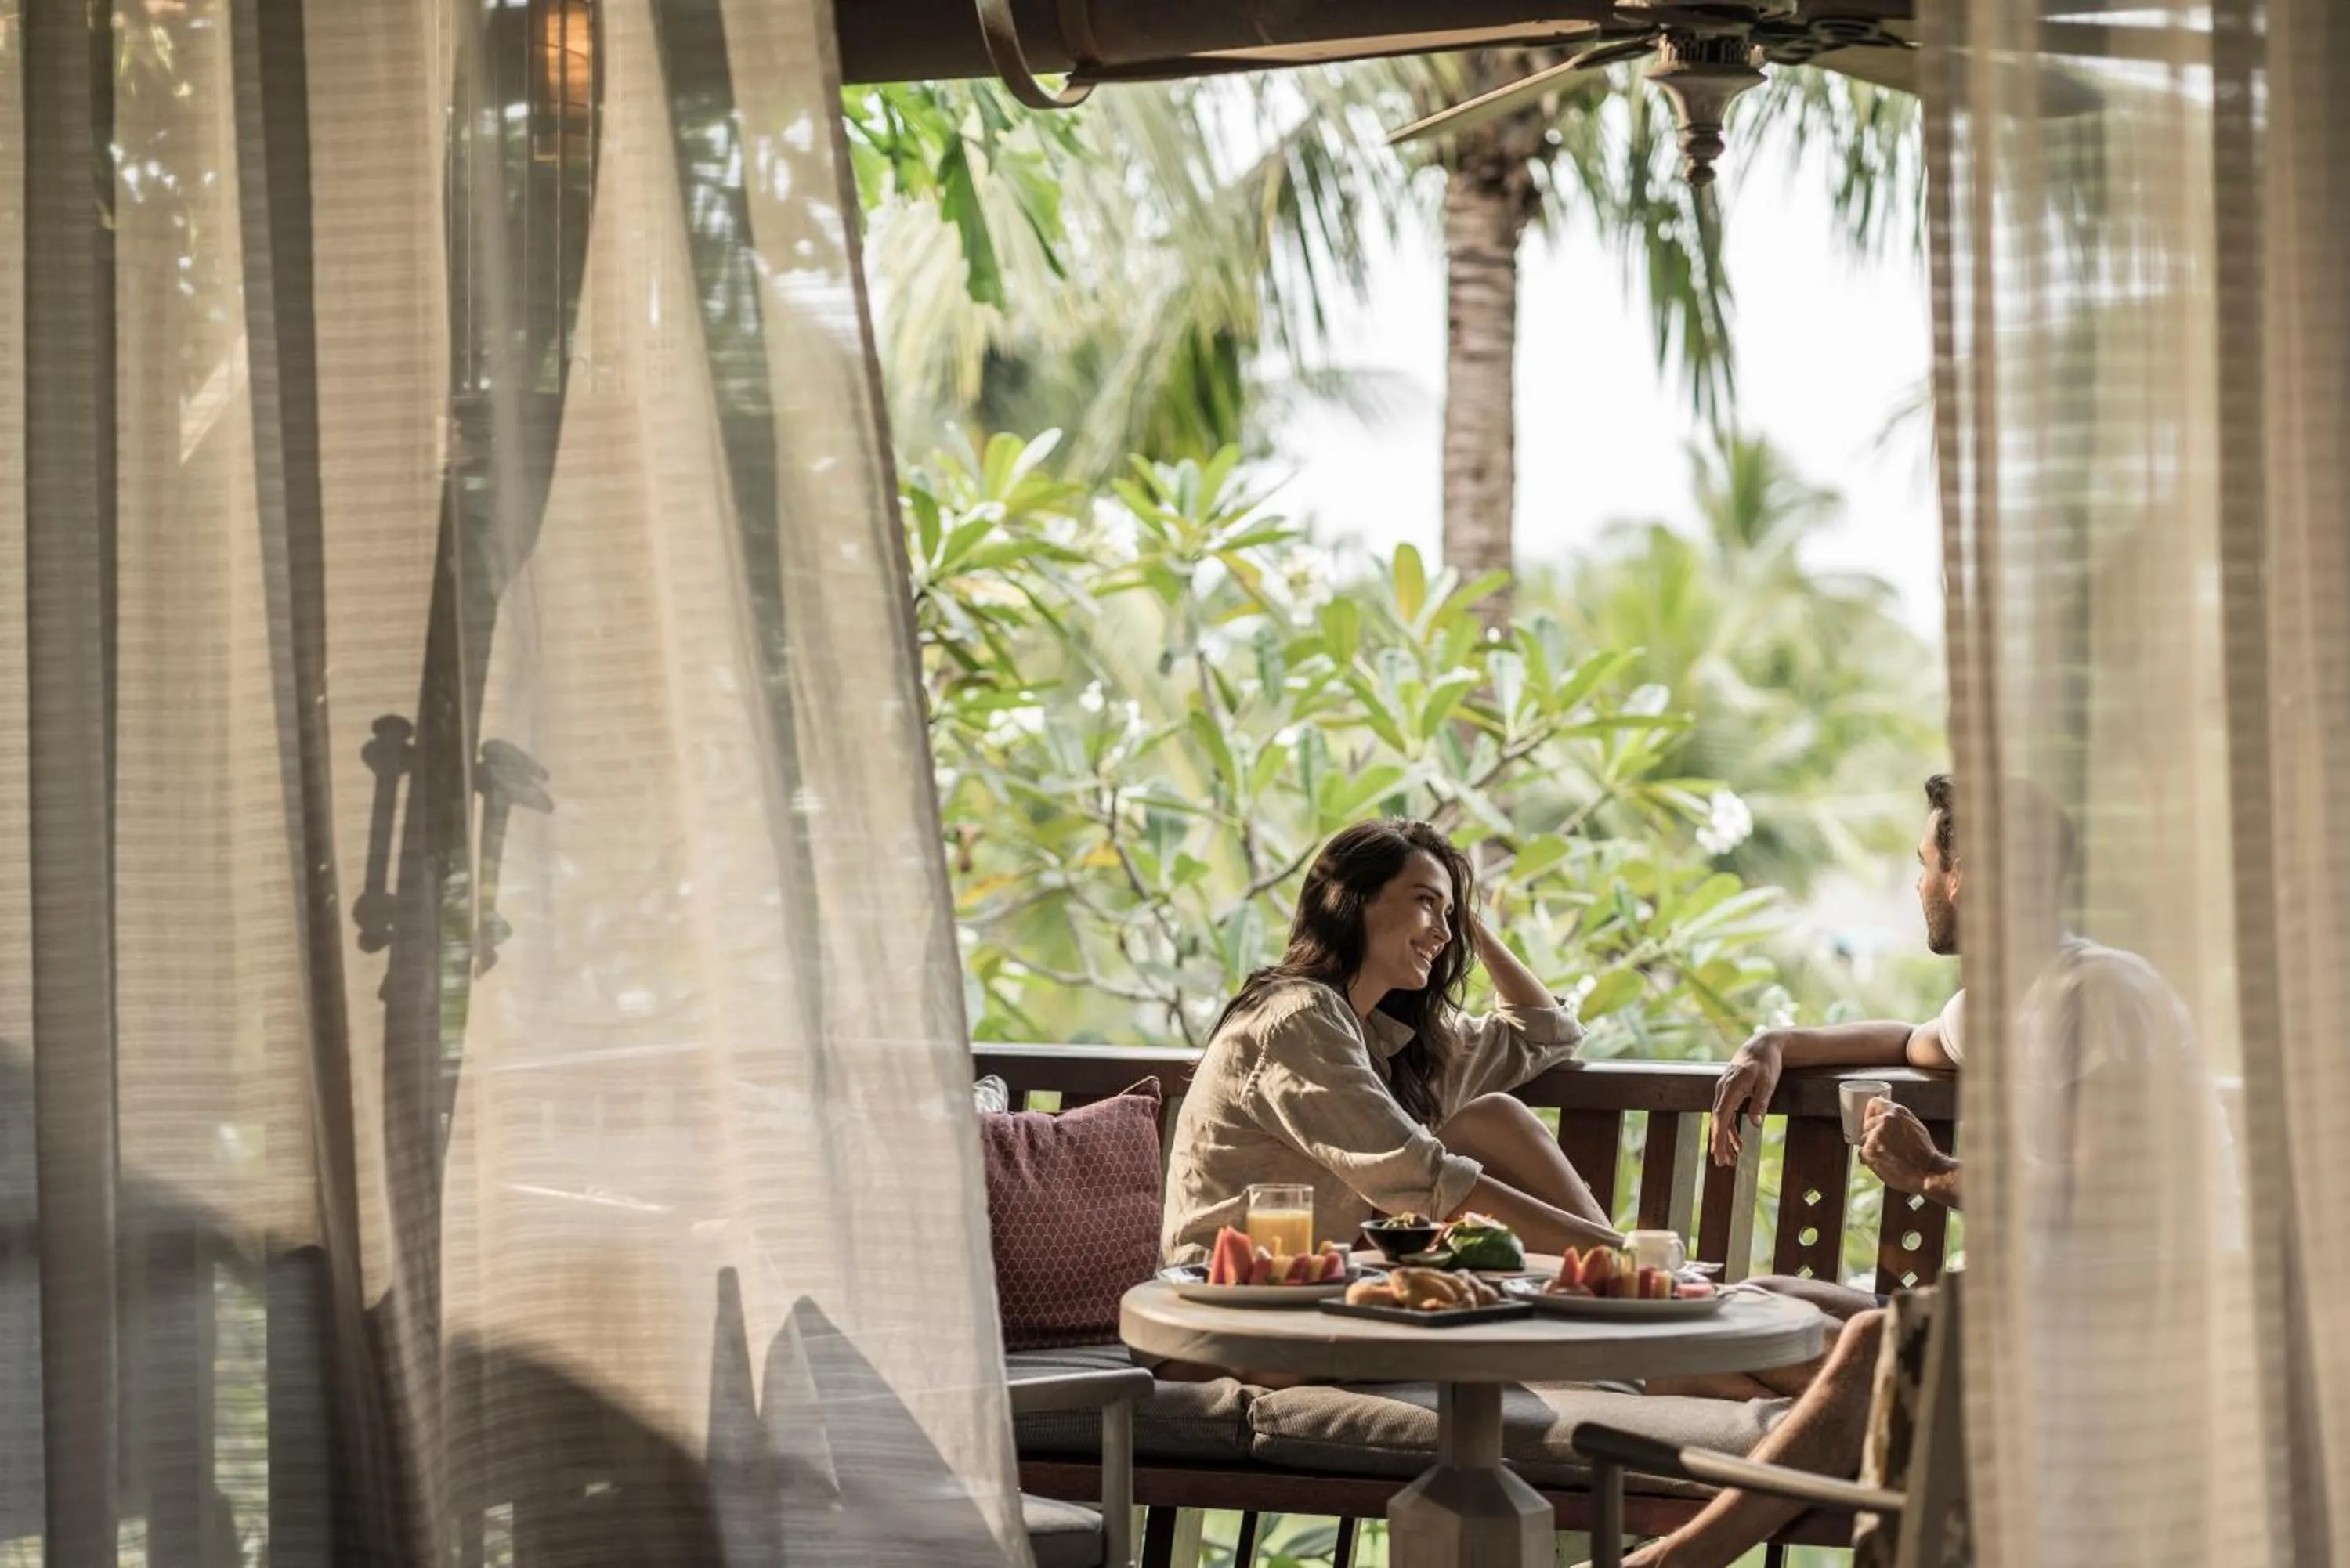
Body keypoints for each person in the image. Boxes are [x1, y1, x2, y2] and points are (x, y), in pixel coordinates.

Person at [1161, 818, 1625, 1266]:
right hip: (1233, 1287)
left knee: (1495, 1118)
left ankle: (1627, 1281)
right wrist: (1621, 1252)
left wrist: (1466, 921)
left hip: (1329, 1275)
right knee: (1466, 1162)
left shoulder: (1383, 1036)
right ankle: (1630, 1273)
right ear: (1352, 899)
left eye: (1450, 914)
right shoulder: (1297, 1018)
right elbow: (1418, 1174)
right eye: (1426, 901)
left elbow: (1544, 1032)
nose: (1446, 933)